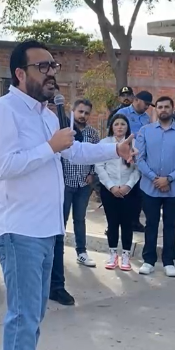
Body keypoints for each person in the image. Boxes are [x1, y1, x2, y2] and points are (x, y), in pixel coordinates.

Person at [0, 40, 135, 350]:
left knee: (34, 315)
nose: (51, 73)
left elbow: (73, 151)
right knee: (23, 317)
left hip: (46, 228)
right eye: (42, 67)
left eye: (53, 66)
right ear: (20, 74)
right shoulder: (3, 111)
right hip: (18, 228)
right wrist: (50, 146)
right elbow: (3, 166)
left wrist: (115, 149)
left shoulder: (48, 115)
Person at [49, 98, 101, 306]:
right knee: (60, 223)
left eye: (87, 112)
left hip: (83, 183)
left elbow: (94, 155)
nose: (83, 115)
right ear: (72, 111)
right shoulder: (63, 131)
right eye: (80, 111)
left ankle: (81, 251)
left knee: (80, 219)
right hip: (64, 184)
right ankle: (57, 258)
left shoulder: (92, 134)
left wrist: (92, 174)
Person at [136, 96, 175, 277]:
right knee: (151, 224)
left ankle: (169, 261)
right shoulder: (145, 131)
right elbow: (139, 158)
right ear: (156, 110)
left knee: (170, 225)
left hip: (174, 188)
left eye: (166, 107)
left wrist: (168, 179)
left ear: (172, 108)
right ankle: (148, 260)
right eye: (160, 107)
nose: (163, 110)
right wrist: (156, 179)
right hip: (149, 187)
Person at [95, 113, 140, 271]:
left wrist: (128, 186)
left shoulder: (134, 144)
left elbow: (137, 169)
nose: (120, 127)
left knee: (127, 223)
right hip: (110, 190)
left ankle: (126, 256)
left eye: (123, 124)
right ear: (111, 127)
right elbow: (99, 167)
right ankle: (113, 254)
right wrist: (111, 187)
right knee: (112, 222)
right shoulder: (104, 144)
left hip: (129, 191)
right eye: (116, 124)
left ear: (127, 127)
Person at [117, 90, 153, 233]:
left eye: (149, 105)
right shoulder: (123, 113)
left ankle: (135, 221)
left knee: (138, 192)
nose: (147, 107)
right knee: (123, 191)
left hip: (140, 159)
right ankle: (118, 222)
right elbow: (115, 133)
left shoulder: (146, 118)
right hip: (124, 158)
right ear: (136, 100)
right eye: (146, 104)